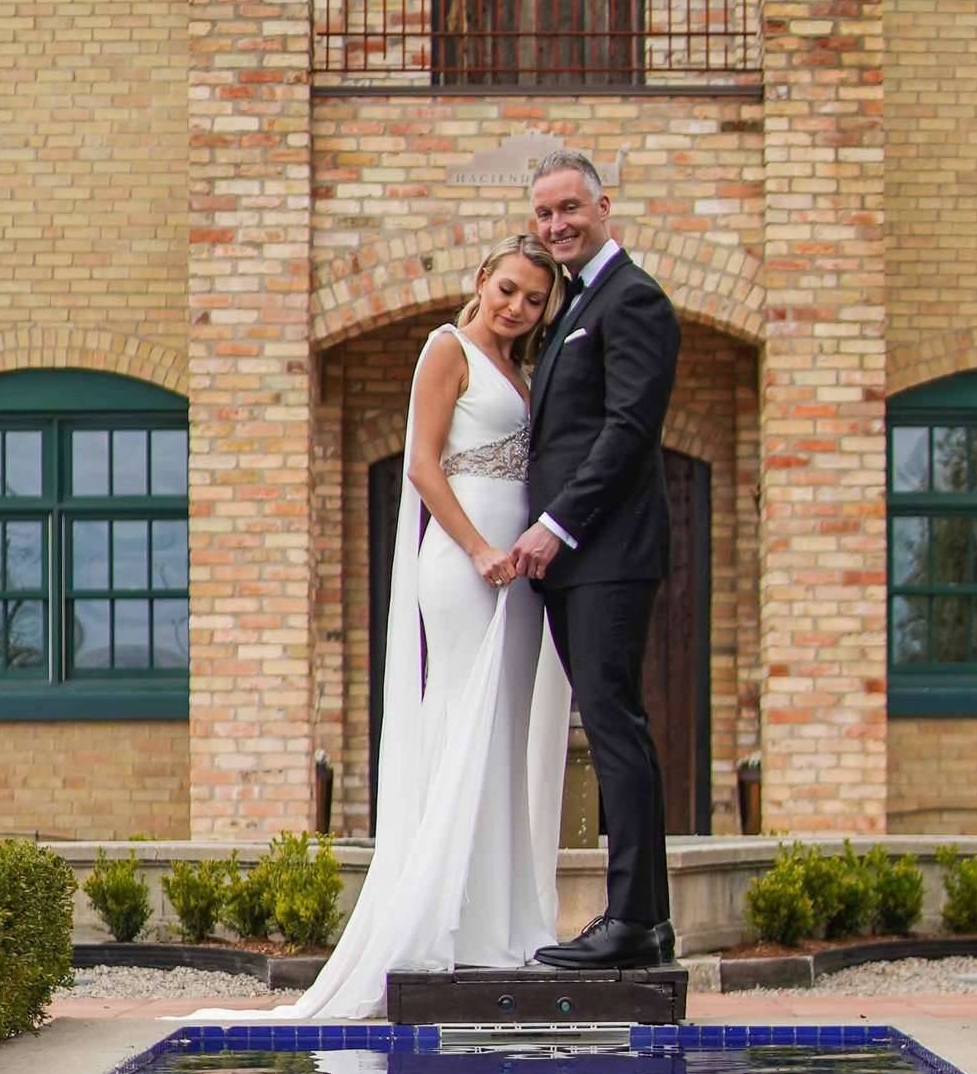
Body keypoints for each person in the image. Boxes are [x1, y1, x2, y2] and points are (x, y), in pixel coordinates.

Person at [247, 240, 572, 1022]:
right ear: (481, 281)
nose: (517, 308)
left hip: (518, 571)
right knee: (463, 720)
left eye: (533, 300)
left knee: (504, 733)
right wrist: (480, 548)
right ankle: (442, 921)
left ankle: (499, 922)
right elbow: (424, 467)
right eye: (507, 290)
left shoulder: (524, 369)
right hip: (465, 561)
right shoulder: (447, 348)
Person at [514, 146, 683, 971]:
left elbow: (626, 433)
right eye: (545, 215)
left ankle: (631, 922)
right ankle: (645, 925)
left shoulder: (634, 299)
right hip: (579, 559)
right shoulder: (575, 304)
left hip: (606, 552)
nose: (557, 226)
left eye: (569, 209)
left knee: (615, 727)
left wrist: (556, 524)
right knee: (615, 725)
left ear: (604, 205)